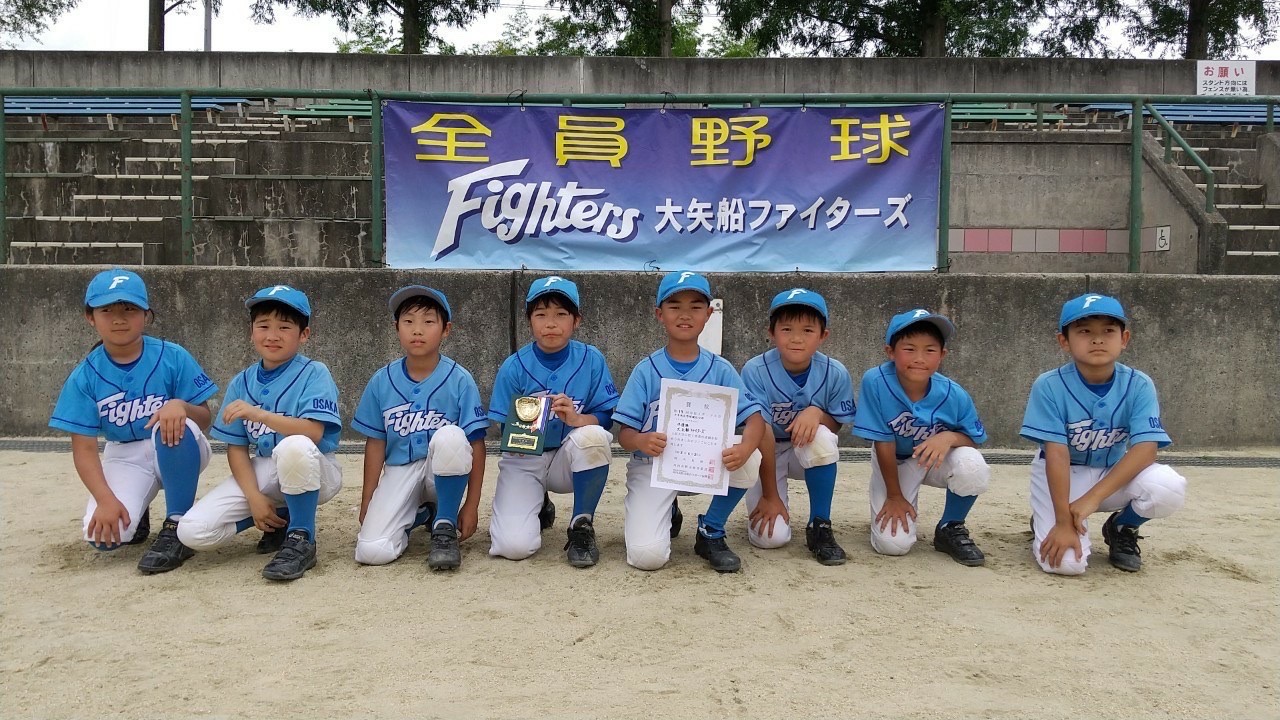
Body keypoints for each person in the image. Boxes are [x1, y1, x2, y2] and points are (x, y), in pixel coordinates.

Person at [50, 268, 218, 574]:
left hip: (179, 445)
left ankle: (177, 525)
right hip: (124, 454)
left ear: (146, 315)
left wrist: (180, 405)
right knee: (103, 536)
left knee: (176, 425)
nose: (119, 319)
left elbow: (205, 418)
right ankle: (138, 511)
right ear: (90, 317)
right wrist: (105, 500)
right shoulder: (84, 375)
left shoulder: (172, 355)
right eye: (107, 310)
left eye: (129, 309)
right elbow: (84, 449)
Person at [613, 271, 779, 573]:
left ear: (708, 314)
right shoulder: (646, 369)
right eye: (675, 306)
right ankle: (668, 509)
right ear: (659, 314)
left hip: (705, 464)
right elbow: (624, 434)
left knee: (750, 455)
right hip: (654, 466)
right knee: (648, 557)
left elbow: (755, 421)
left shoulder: (721, 369)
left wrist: (744, 450)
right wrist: (639, 440)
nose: (685, 314)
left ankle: (711, 529)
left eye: (695, 306)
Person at [176, 285, 343, 582]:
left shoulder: (315, 372)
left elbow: (314, 432)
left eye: (284, 327)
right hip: (266, 468)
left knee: (294, 446)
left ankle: (301, 537)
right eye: (263, 326)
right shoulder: (241, 382)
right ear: (251, 332)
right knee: (192, 532)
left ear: (304, 334)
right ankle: (277, 519)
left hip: (316, 468)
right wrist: (253, 497)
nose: (272, 335)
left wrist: (260, 414)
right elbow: (237, 448)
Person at [1021, 293, 1187, 575]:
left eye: (1108, 331)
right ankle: (1045, 519)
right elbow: (1057, 454)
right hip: (1062, 475)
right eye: (1085, 331)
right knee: (1066, 565)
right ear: (1064, 341)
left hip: (1112, 473)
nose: (1097, 339)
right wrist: (1062, 521)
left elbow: (1146, 449)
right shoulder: (1048, 385)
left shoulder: (1139, 384)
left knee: (1168, 487)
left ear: (1124, 339)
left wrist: (1093, 498)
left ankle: (1122, 526)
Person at [352, 286, 487, 571]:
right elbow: (375, 442)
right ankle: (421, 514)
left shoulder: (460, 379)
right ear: (396, 328)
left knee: (451, 437)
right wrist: (368, 500)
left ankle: (444, 526)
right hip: (400, 470)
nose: (417, 330)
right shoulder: (381, 380)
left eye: (428, 321)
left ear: (446, 329)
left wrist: (471, 505)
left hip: (443, 473)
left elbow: (476, 443)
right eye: (408, 321)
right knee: (371, 551)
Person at [487, 276, 618, 568]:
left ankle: (581, 524)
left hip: (569, 459)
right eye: (541, 314)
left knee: (594, 437)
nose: (551, 323)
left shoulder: (591, 359)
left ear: (576, 320)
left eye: (561, 314)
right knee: (514, 546)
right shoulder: (513, 366)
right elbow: (503, 425)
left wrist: (577, 419)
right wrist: (520, 433)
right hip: (525, 460)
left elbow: (607, 417)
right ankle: (539, 501)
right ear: (529, 321)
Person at [852, 309, 991, 566]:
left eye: (929, 350)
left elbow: (974, 439)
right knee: (893, 545)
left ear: (942, 355)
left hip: (933, 460)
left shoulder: (954, 393)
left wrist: (948, 437)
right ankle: (888, 503)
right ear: (890, 352)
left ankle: (950, 526)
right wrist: (895, 496)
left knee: (973, 465)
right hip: (892, 460)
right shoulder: (876, 381)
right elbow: (883, 442)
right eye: (909, 349)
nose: (919, 358)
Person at [740, 288, 855, 565]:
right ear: (771, 332)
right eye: (787, 329)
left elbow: (836, 424)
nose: (796, 338)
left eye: (807, 330)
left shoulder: (835, 371)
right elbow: (760, 429)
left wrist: (817, 413)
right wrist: (771, 496)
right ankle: (770, 499)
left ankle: (820, 525)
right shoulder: (755, 370)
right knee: (771, 538)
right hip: (765, 450)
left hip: (803, 450)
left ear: (823, 335)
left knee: (822, 437)